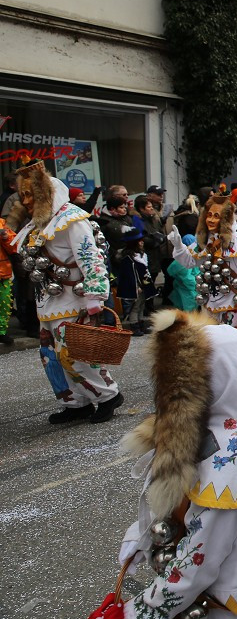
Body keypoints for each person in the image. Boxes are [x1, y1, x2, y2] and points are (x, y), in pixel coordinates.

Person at [87, 308, 237, 619]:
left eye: (182, 375)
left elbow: (200, 560)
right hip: (211, 598)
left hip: (224, 608)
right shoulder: (199, 431)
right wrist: (142, 535)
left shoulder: (234, 457)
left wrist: (138, 614)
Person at [8, 160, 123, 423]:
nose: (25, 201)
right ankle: (75, 402)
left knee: (76, 353)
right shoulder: (37, 224)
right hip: (48, 302)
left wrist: (95, 295)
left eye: (29, 195)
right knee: (50, 357)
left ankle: (108, 396)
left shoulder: (72, 220)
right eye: (22, 195)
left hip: (75, 299)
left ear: (43, 194)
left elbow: (90, 258)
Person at [166, 195, 237, 325]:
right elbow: (190, 262)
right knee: (212, 340)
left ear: (225, 219)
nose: (210, 220)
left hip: (234, 300)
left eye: (216, 216)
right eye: (209, 215)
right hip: (210, 300)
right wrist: (178, 245)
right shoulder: (206, 240)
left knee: (232, 338)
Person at [115, 220, 157, 336]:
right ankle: (134, 325)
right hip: (136, 286)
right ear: (135, 243)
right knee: (135, 306)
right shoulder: (128, 258)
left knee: (141, 305)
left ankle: (140, 323)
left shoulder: (141, 255)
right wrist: (137, 286)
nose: (142, 242)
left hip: (144, 284)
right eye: (140, 241)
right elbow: (129, 275)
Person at [0, 216, 15, 345]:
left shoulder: (1, 223)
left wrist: (5, 237)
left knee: (4, 305)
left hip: (3, 274)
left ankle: (2, 332)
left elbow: (14, 245)